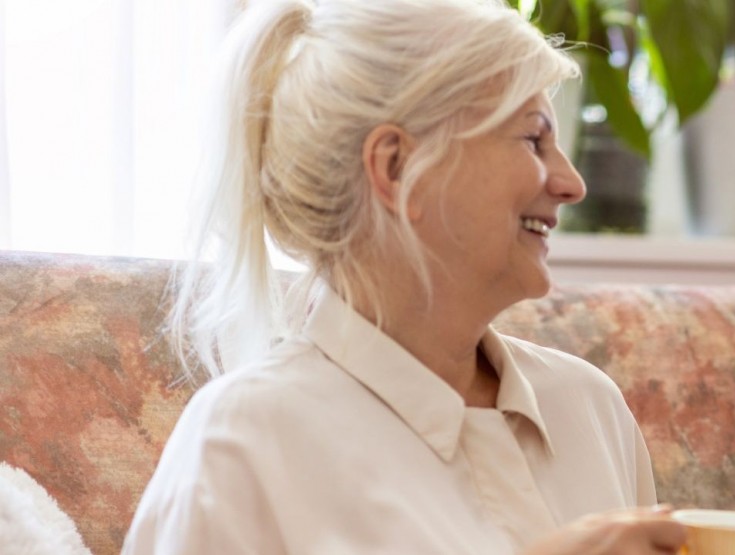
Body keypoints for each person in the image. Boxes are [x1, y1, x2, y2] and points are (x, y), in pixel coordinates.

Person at [123, 1, 684, 553]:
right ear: (396, 167)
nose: (571, 183)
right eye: (532, 139)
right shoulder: (242, 441)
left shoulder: (590, 406)